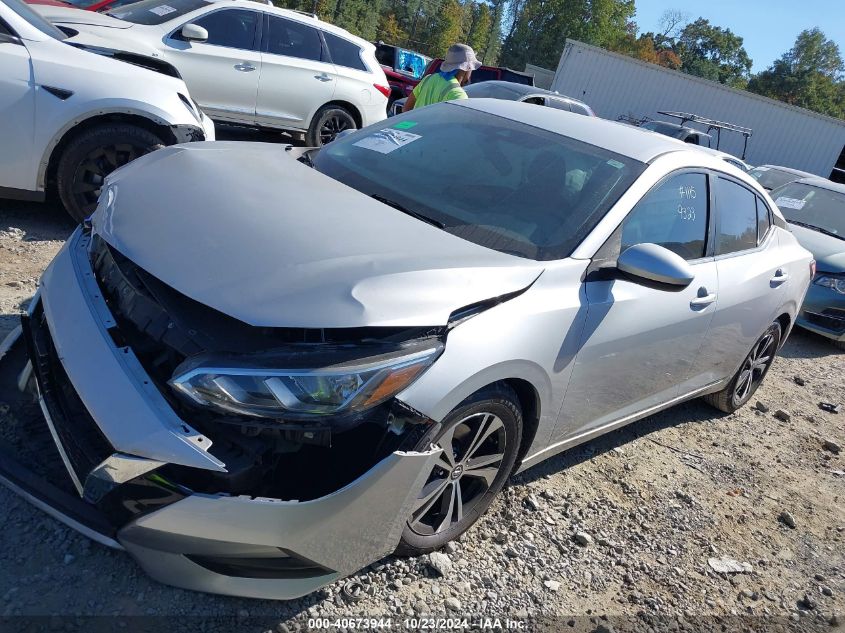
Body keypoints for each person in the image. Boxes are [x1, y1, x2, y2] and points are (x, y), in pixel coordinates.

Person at [404, 43, 481, 111]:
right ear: (467, 68)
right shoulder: (458, 96)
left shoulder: (428, 79)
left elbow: (406, 109)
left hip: (414, 127)